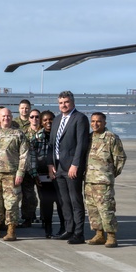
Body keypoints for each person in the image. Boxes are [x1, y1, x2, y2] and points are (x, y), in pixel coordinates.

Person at [48, 91, 91, 244]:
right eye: (60, 102)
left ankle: (79, 233)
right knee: (64, 201)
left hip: (72, 167)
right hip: (58, 167)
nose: (63, 105)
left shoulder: (80, 119)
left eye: (66, 102)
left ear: (72, 102)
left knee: (75, 200)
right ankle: (69, 229)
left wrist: (76, 164)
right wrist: (50, 164)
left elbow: (82, 144)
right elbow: (51, 144)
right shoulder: (57, 119)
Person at [0, 107, 30, 242]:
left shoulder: (19, 134)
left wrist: (21, 172)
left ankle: (11, 230)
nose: (6, 118)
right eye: (3, 116)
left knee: (11, 203)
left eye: (8, 116)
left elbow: (24, 155)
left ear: (12, 117)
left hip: (12, 174)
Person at [86, 112, 126, 247]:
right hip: (89, 181)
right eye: (93, 121)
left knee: (106, 209)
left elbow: (120, 158)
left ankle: (111, 236)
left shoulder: (111, 138)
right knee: (93, 210)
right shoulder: (88, 138)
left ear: (105, 123)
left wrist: (110, 174)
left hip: (103, 182)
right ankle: (98, 234)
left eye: (98, 121)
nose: (95, 124)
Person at [31, 110, 60, 238]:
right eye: (45, 120)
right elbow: (31, 157)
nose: (48, 122)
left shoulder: (59, 135)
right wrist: (34, 174)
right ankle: (48, 229)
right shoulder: (36, 137)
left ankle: (64, 227)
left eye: (51, 119)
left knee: (61, 203)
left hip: (59, 174)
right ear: (41, 123)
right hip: (43, 174)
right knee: (46, 203)